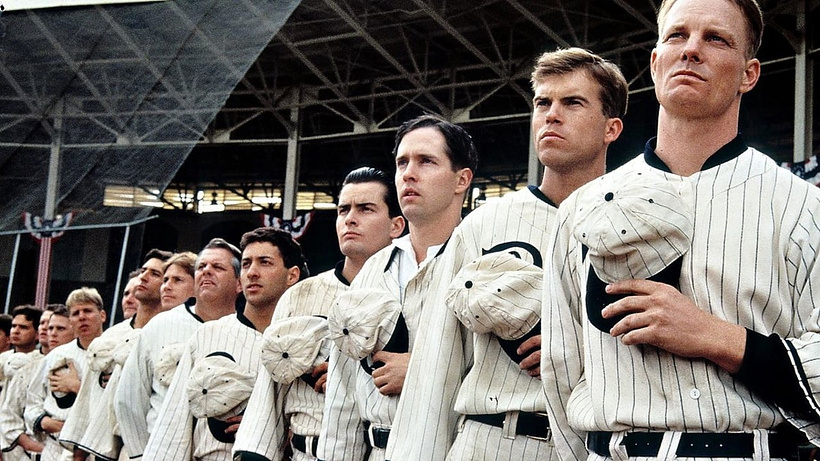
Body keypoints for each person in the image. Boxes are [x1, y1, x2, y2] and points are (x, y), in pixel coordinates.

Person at [542, 0, 820, 459]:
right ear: (655, 63)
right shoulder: (581, 208)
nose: (691, 50)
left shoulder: (803, 206)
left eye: (716, 38)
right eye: (677, 35)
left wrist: (717, 337)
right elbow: (562, 371)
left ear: (749, 74)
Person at [385, 48, 627, 461]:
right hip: (494, 436)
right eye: (542, 103)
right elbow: (438, 363)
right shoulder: (485, 223)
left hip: (597, 445)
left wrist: (577, 350)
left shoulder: (635, 220)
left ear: (611, 128)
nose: (552, 115)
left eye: (572, 103)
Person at [319, 114, 477, 461]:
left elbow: (505, 377)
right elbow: (343, 392)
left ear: (462, 179)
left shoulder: (483, 261)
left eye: (426, 161)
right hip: (377, 448)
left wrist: (421, 373)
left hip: (456, 449)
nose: (408, 173)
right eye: (402, 162)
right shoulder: (372, 270)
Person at [233, 167, 405, 460]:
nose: (350, 218)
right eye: (343, 210)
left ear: (396, 225)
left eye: (365, 209)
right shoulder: (300, 294)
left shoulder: (410, 290)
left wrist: (346, 375)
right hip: (306, 450)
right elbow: (269, 392)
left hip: (385, 449)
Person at [144, 228, 306, 460]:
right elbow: (174, 422)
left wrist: (271, 431)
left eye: (265, 263)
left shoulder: (305, 340)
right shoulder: (208, 335)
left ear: (292, 275)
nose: (252, 272)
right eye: (246, 264)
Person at [115, 239, 242, 459]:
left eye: (218, 267)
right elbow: (129, 398)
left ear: (239, 284)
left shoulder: (247, 332)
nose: (207, 271)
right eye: (201, 267)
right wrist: (143, 454)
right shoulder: (160, 325)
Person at [61, 250, 177, 460]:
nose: (144, 277)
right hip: (101, 448)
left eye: (155, 274)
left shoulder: (170, 336)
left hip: (146, 447)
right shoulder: (111, 336)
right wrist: (78, 455)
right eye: (143, 271)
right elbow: (87, 402)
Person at [26, 288, 105, 461]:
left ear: (102, 316)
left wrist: (77, 386)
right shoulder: (56, 355)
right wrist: (43, 422)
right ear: (71, 321)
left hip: (94, 450)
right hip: (55, 448)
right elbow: (32, 400)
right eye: (76, 313)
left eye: (88, 311)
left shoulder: (114, 353)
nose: (82, 317)